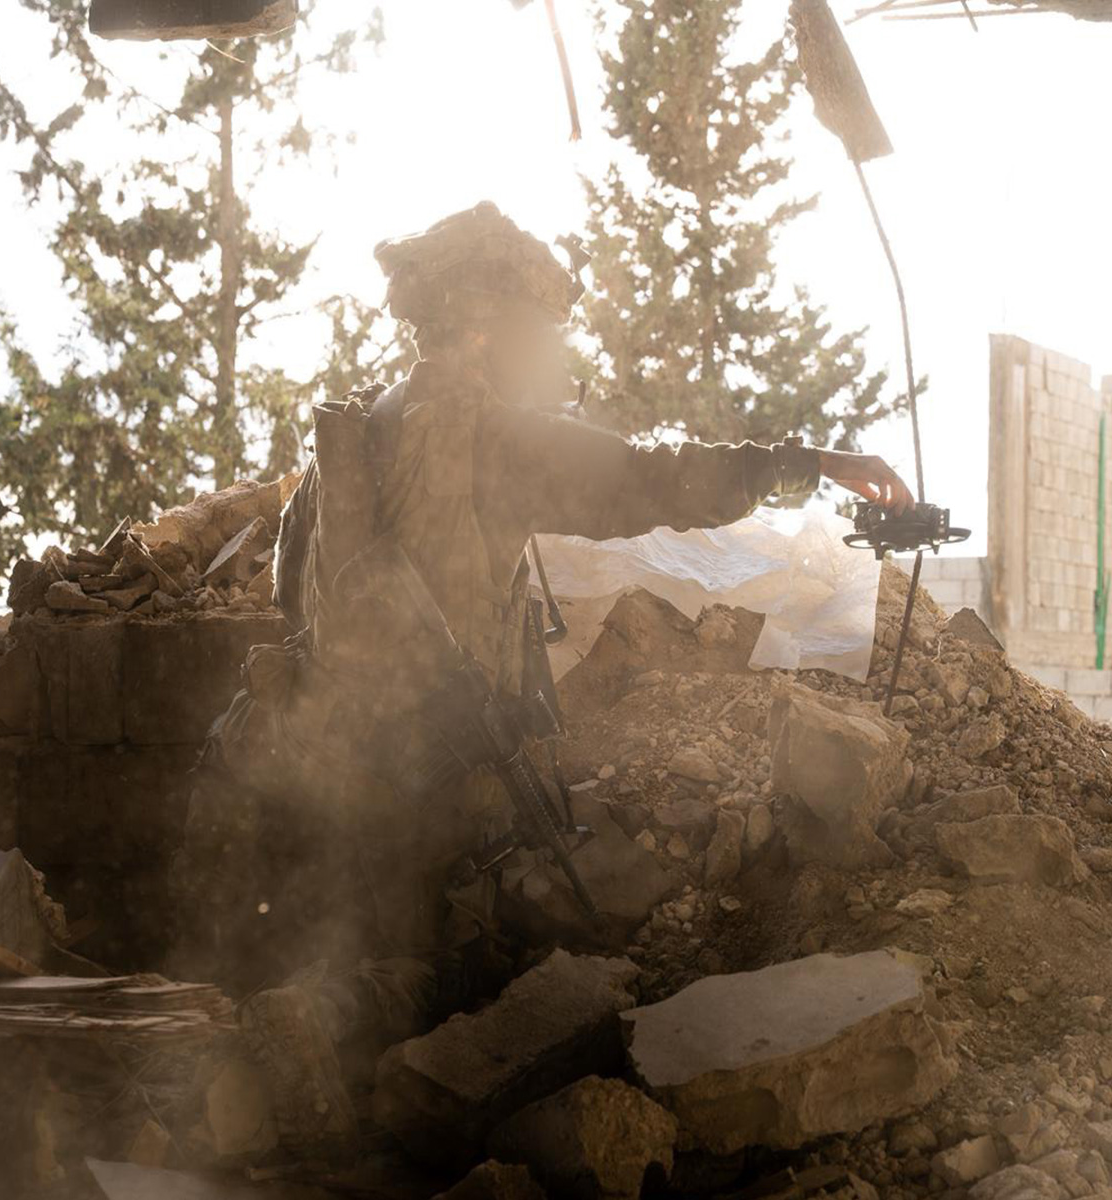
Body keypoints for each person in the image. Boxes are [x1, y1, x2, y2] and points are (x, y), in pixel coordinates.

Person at [168, 201, 912, 1152]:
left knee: (357, 928)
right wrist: (807, 459)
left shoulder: (350, 440)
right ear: (485, 327)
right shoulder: (487, 438)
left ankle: (276, 1047)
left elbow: (293, 593)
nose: (546, 353)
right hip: (423, 780)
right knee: (494, 957)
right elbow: (651, 482)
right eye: (536, 331)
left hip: (316, 764)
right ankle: (326, 1022)